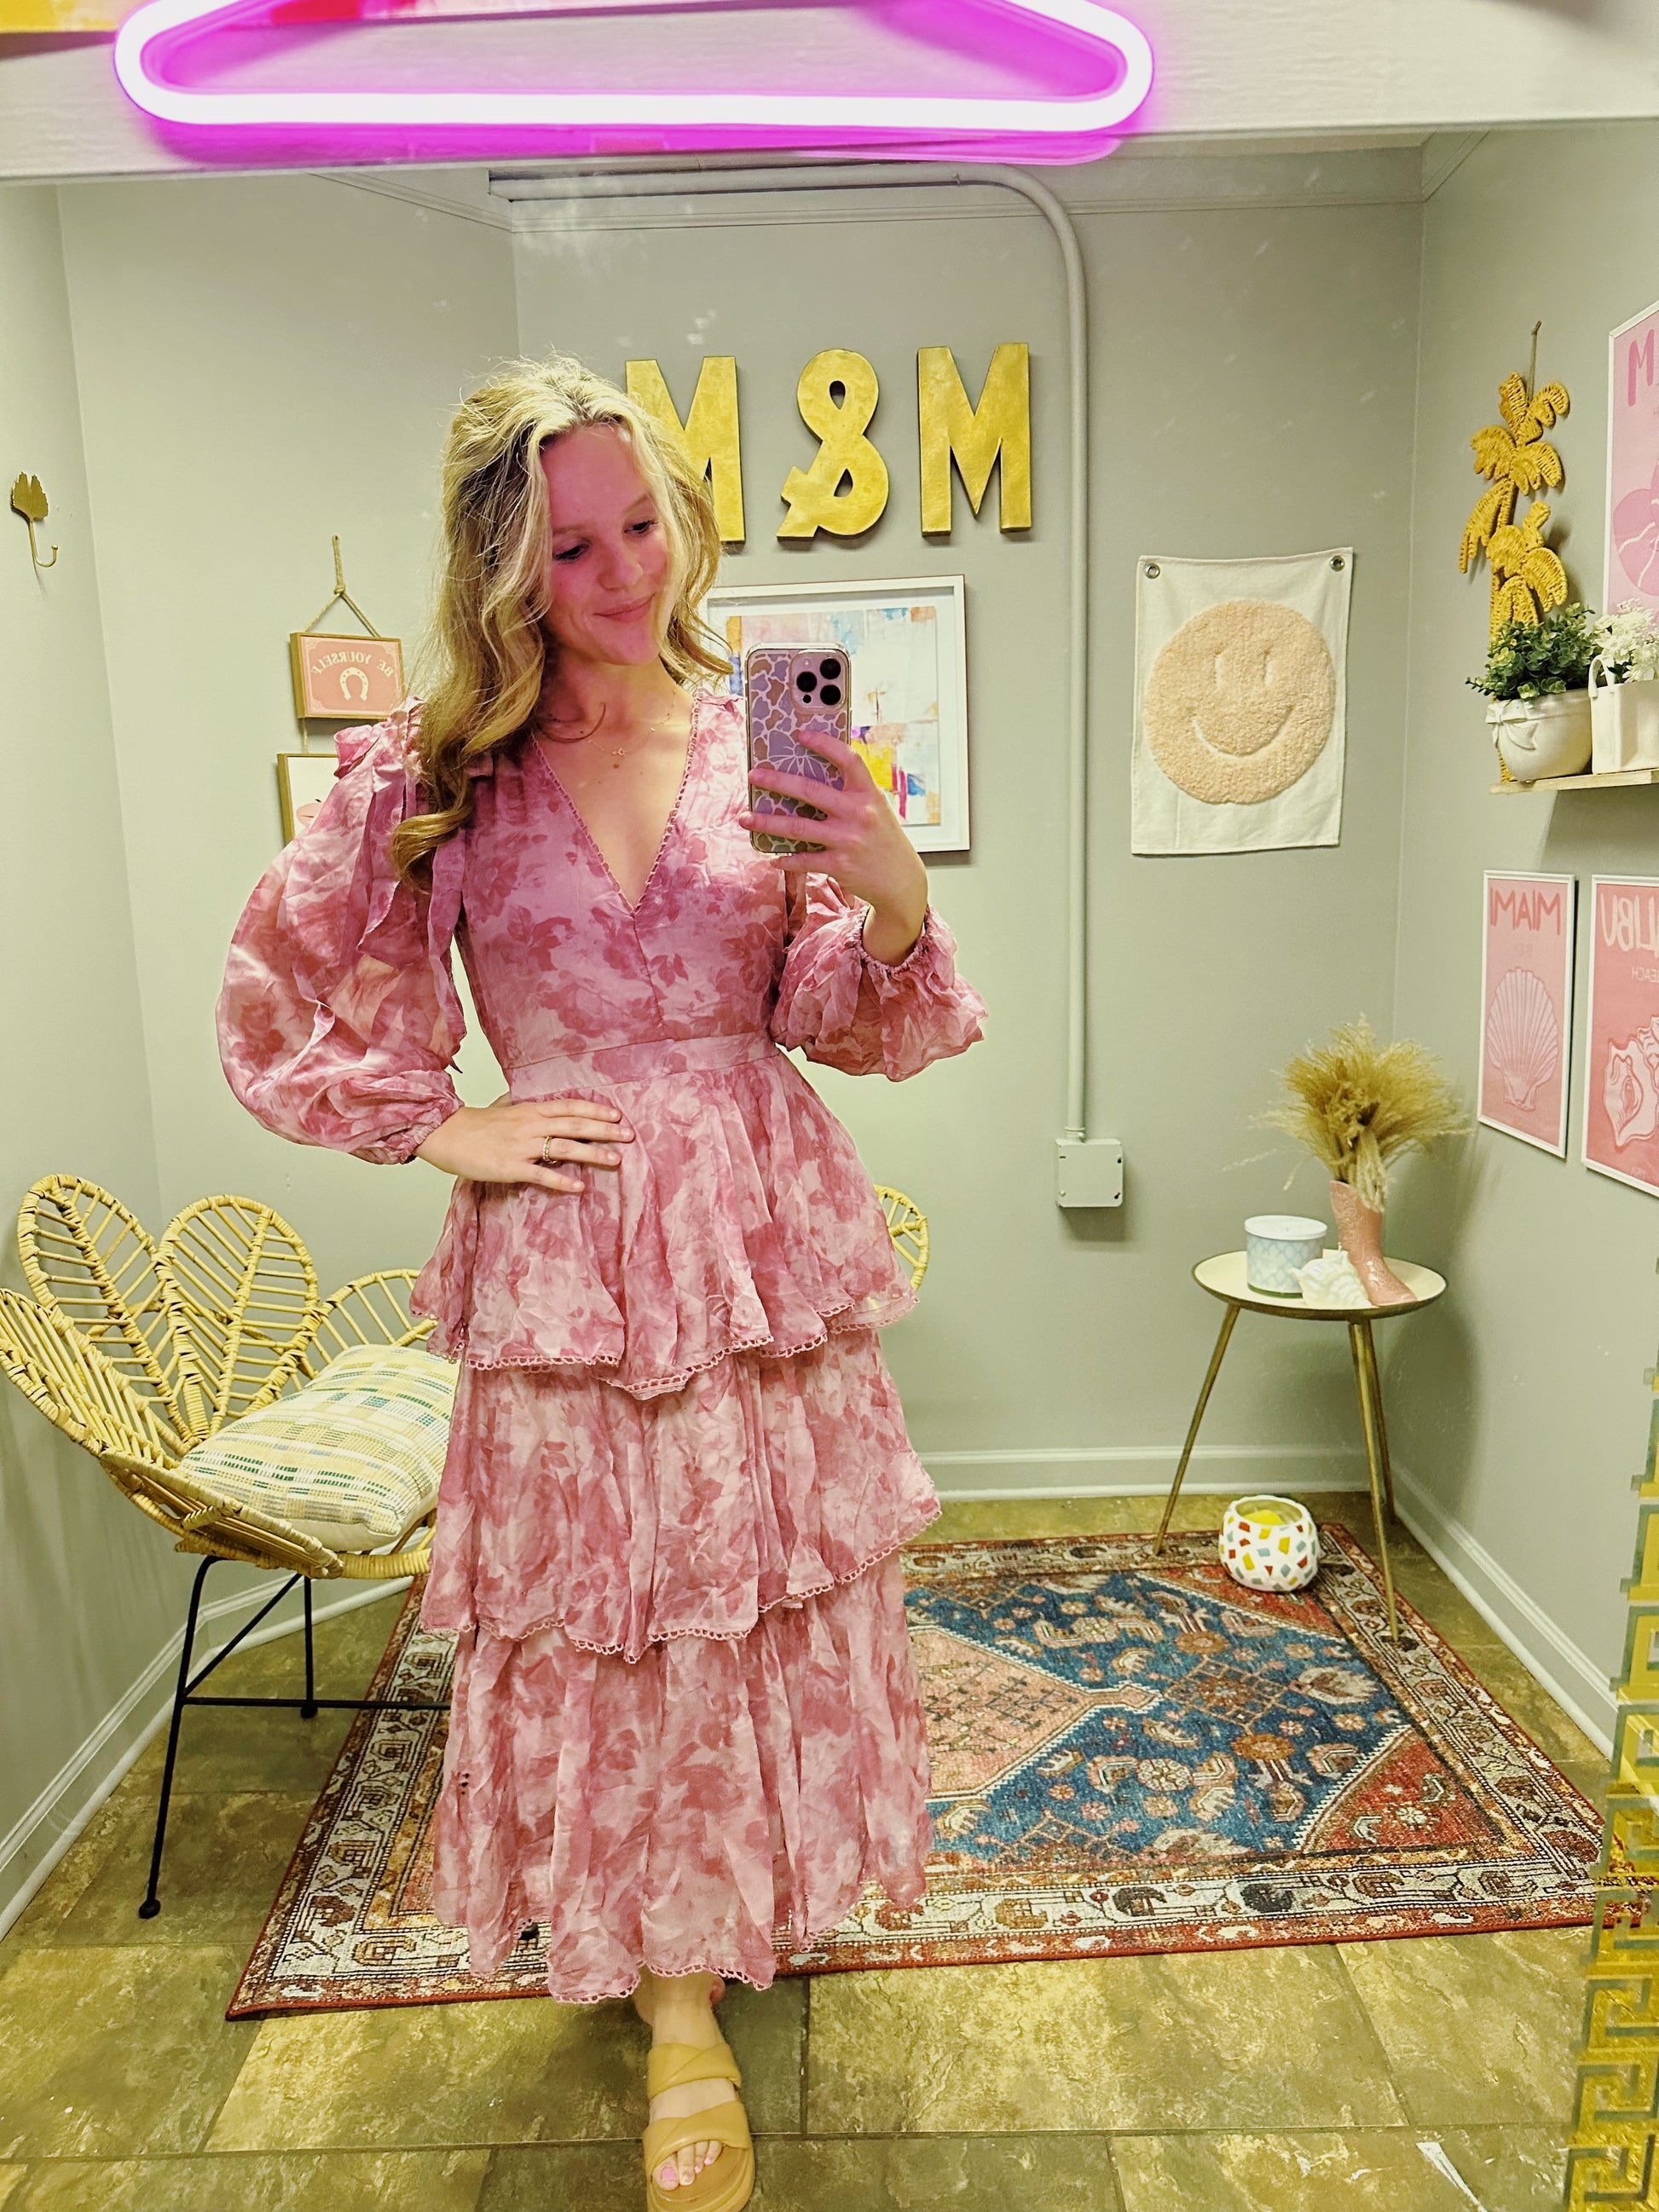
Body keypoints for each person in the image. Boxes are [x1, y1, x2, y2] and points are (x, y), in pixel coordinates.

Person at [218, 353, 986, 2212]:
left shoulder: (766, 732)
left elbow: (832, 1014)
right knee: (618, 1624)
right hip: (569, 1249)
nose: (627, 571)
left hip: (756, 1237)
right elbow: (280, 990)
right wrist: (441, 1125)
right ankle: (677, 2009)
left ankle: (741, 1893)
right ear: (506, 568)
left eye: (643, 523)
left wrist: (890, 887)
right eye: (573, 548)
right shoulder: (439, 775)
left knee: (760, 1597)